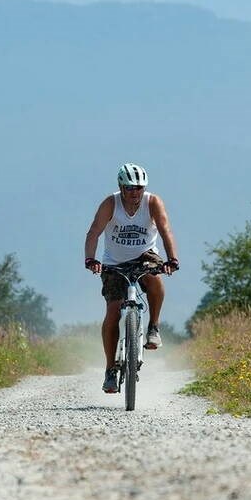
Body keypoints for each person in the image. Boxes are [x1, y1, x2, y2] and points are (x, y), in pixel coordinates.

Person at [84, 163, 180, 393]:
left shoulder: (153, 202)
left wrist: (172, 259)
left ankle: (154, 327)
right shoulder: (110, 204)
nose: (134, 192)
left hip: (145, 256)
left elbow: (166, 231)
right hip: (114, 262)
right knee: (113, 311)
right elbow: (94, 232)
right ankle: (110, 370)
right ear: (121, 187)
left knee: (155, 279)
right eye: (129, 188)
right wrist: (91, 259)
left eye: (139, 187)